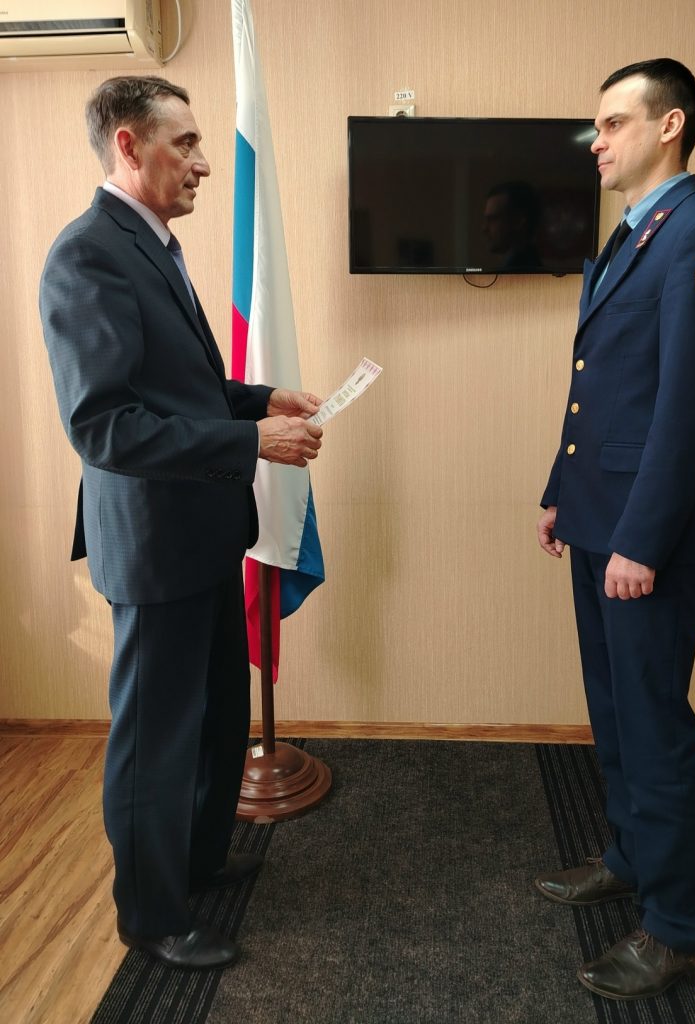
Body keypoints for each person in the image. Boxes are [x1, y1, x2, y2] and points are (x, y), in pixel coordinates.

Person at [40, 76, 324, 970]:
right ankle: (151, 914)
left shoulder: (152, 245)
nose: (204, 164)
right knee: (155, 740)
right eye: (186, 144)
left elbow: (178, 391)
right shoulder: (87, 254)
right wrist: (250, 441)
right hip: (154, 546)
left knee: (214, 720)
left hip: (201, 532)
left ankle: (196, 863)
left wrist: (258, 399)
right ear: (129, 145)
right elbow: (105, 425)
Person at [535, 59, 695, 1000]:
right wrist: (562, 491)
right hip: (599, 518)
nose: (597, 141)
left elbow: (688, 412)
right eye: (596, 125)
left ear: (670, 126)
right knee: (615, 710)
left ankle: (680, 926)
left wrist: (641, 539)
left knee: (655, 723)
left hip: (644, 539)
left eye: (614, 123)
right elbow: (600, 386)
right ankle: (631, 855)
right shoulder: (633, 235)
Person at [482, 180, 541, 269]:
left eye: (493, 219)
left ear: (518, 221)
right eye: (486, 219)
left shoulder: (526, 270)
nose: (484, 228)